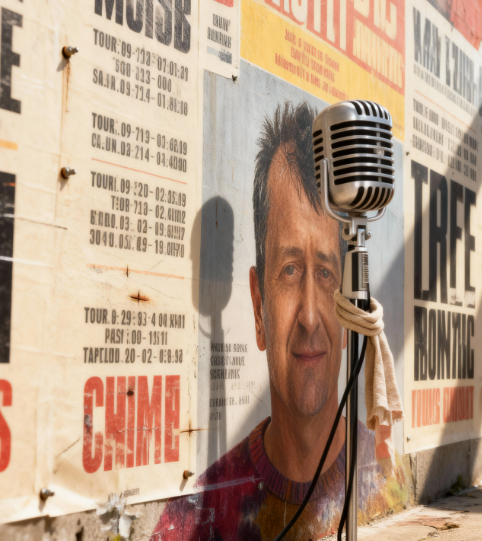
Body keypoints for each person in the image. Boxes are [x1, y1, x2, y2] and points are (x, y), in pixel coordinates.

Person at [153, 102, 395, 541]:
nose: (308, 316)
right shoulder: (194, 520)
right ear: (258, 302)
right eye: (289, 270)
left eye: (325, 274)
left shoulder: (384, 478)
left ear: (350, 305)